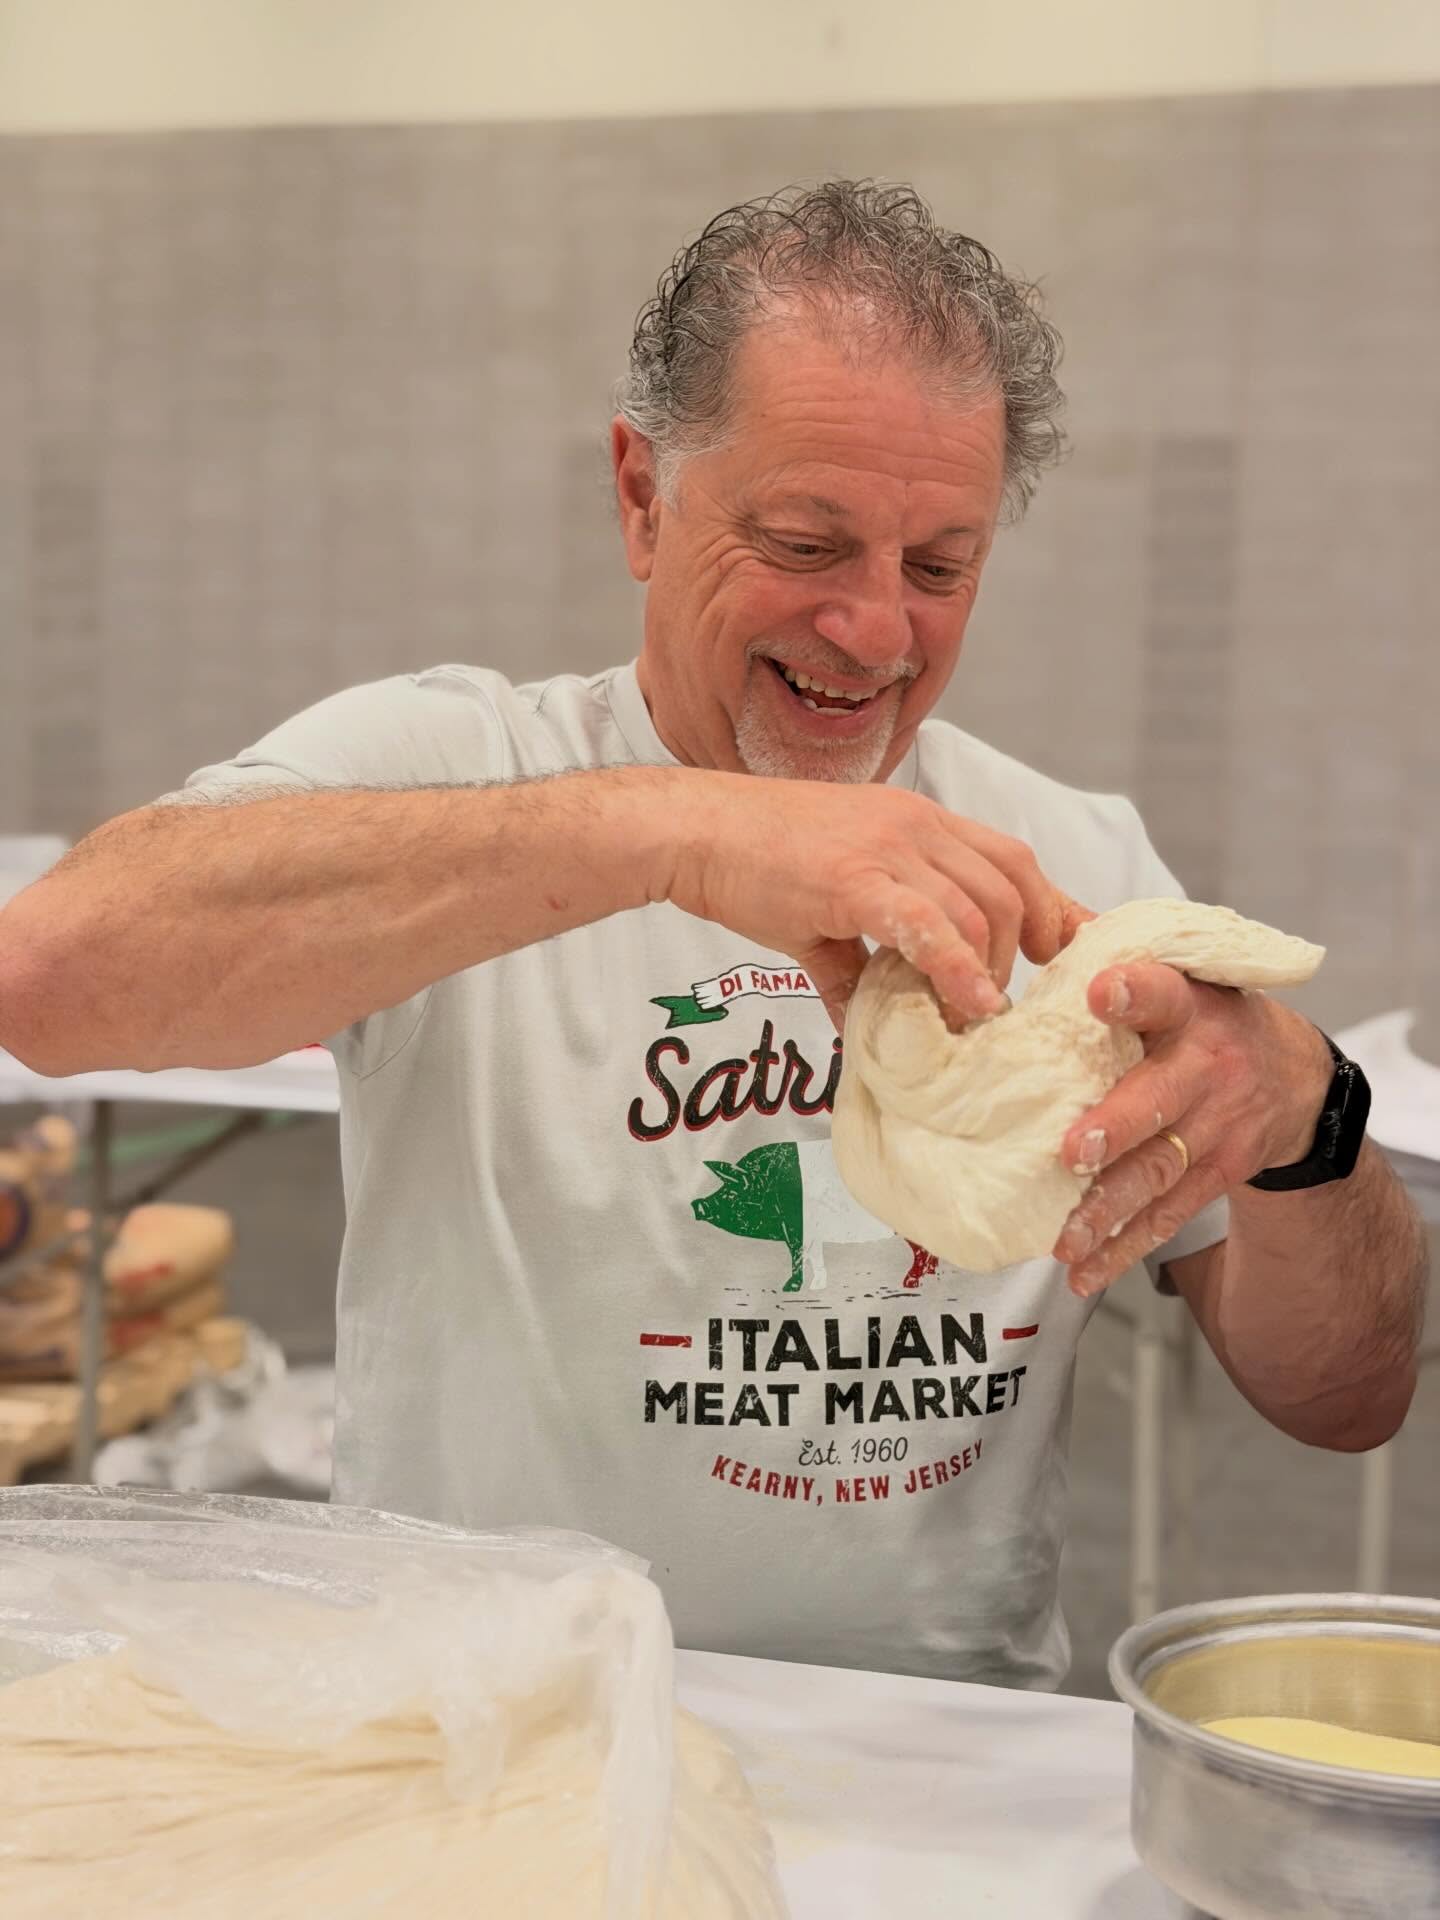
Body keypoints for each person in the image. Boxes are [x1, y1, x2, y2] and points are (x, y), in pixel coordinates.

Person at [0, 182, 1425, 1689]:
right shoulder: (458, 764)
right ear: (640, 495)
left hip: (932, 1772)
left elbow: (1347, 1398)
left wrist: (1306, 1119)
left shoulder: (1078, 875)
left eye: (939, 567)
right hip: (489, 1727)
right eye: (807, 544)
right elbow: (54, 981)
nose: (876, 633)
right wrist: (672, 832)